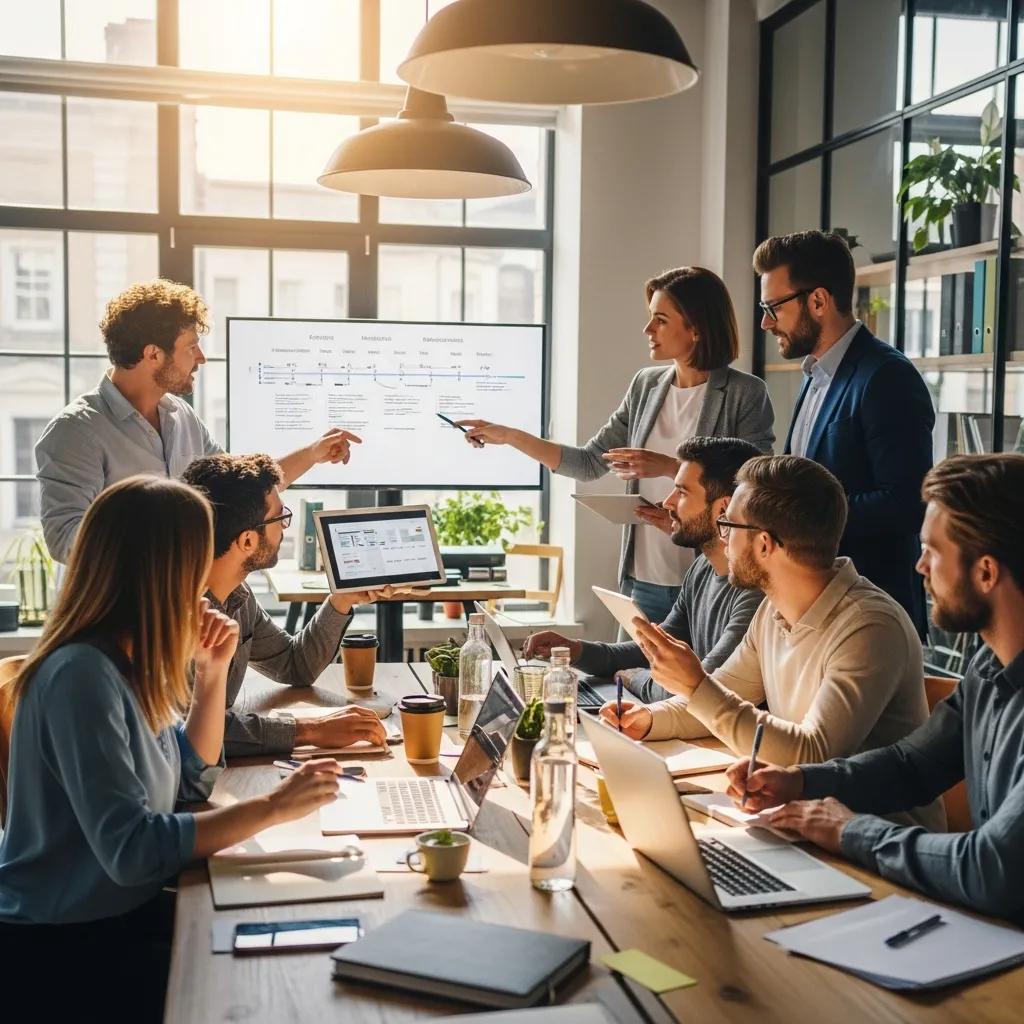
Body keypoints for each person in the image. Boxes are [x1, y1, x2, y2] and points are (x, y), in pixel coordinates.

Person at [0, 476, 344, 1020]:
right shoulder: (82, 676)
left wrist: (211, 679)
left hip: (117, 917)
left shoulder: (130, 659)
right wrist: (273, 808)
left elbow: (187, 779)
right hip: (66, 950)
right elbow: (133, 848)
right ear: (161, 572)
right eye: (194, 564)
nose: (205, 584)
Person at [729, 454, 1024, 925]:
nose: (919, 566)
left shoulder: (874, 621)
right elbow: (912, 766)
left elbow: (995, 869)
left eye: (932, 551)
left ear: (986, 573)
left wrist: (849, 831)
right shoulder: (990, 666)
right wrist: (801, 783)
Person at [606, 454, 943, 831]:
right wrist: (650, 719)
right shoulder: (772, 610)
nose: (723, 538)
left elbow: (813, 754)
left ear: (765, 544)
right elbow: (724, 696)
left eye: (727, 525)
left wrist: (696, 685)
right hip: (801, 824)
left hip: (880, 847)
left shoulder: (869, 627)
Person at [456, 266, 774, 624]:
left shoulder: (744, 393)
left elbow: (753, 486)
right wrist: (510, 436)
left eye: (660, 320)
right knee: (627, 676)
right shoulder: (645, 386)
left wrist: (669, 467)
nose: (647, 330)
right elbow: (589, 463)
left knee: (698, 677)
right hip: (644, 579)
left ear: (696, 327)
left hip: (713, 577)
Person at [35, 279, 361, 562]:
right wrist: (173, 540)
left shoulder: (183, 417)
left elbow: (242, 492)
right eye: (192, 347)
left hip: (180, 612)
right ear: (153, 354)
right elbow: (66, 539)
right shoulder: (76, 431)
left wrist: (313, 454)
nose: (201, 358)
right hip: (116, 623)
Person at [754, 230, 934, 637]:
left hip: (870, 618)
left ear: (817, 301)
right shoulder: (814, 375)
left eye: (772, 307)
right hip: (815, 608)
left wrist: (801, 518)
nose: (765, 322)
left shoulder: (887, 376)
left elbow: (907, 502)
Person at [182, 453, 417, 757]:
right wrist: (309, 731)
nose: (286, 528)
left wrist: (341, 600)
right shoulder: (177, 615)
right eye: (280, 518)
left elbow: (294, 666)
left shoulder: (239, 598)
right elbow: (189, 733)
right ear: (248, 541)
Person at [525, 436, 764, 707]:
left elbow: (698, 689)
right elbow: (652, 650)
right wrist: (577, 650)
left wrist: (632, 678)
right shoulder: (701, 569)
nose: (667, 503)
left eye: (682, 492)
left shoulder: (754, 590)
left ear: (723, 508)